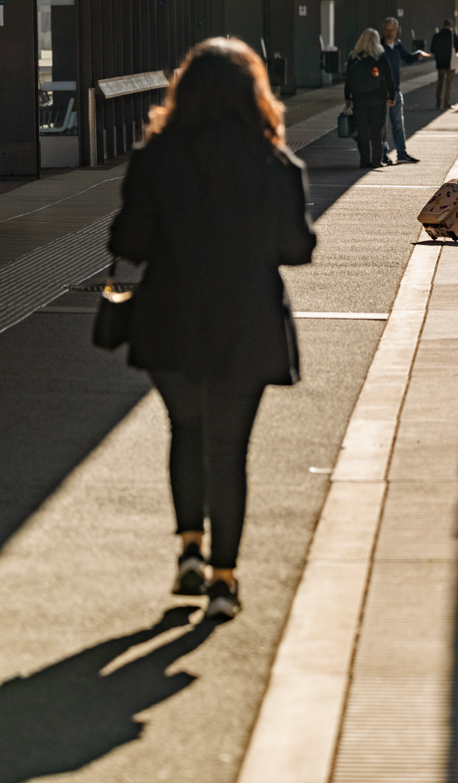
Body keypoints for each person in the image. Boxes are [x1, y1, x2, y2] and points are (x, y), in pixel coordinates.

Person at [108, 38, 316, 620]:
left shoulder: (155, 159)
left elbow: (129, 242)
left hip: (169, 319)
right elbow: (297, 248)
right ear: (254, 93)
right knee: (229, 451)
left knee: (186, 430)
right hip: (245, 322)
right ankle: (224, 580)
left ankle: (189, 552)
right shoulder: (276, 164)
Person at [380, 16, 431, 164]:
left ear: (397, 30)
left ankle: (401, 153)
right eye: (387, 30)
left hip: (395, 90)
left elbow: (407, 58)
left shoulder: (397, 45)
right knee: (382, 126)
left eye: (392, 30)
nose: (389, 33)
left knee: (398, 124)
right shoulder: (379, 47)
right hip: (382, 92)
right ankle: (382, 154)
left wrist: (418, 55)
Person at [344, 27, 396, 168]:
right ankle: (376, 161)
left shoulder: (353, 57)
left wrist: (347, 96)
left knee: (362, 130)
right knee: (376, 130)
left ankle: (364, 161)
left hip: (359, 98)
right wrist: (391, 95)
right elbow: (389, 77)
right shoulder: (380, 56)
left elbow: (349, 79)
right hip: (377, 97)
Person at [430, 19, 458, 109]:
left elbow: (432, 49)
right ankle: (446, 102)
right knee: (448, 83)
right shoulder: (452, 36)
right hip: (450, 63)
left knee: (440, 83)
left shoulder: (436, 36)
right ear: (451, 26)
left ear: (443, 25)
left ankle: (438, 103)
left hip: (440, 63)